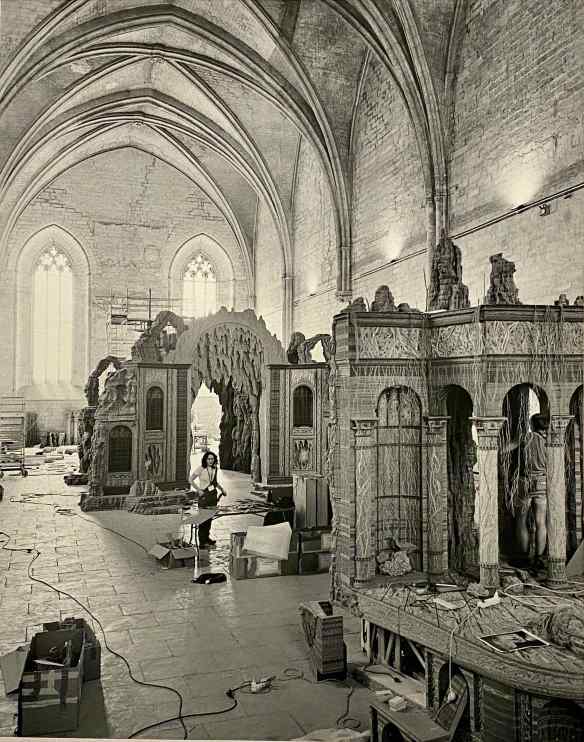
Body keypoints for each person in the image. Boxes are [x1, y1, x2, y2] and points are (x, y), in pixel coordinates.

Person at [516, 413, 549, 573]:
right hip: (542, 482)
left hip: (525, 481)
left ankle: (524, 558)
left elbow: (506, 448)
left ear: (532, 425)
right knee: (540, 521)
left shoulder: (526, 437)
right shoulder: (550, 442)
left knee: (521, 520)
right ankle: (539, 558)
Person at [189, 451, 226, 548]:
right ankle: (202, 542)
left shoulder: (215, 469)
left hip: (213, 496)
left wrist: (222, 489)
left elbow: (215, 483)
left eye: (212, 459)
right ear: (205, 459)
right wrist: (198, 490)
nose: (210, 461)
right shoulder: (201, 468)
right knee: (203, 520)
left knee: (209, 519)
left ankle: (207, 538)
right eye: (209, 459)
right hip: (204, 496)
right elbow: (190, 479)